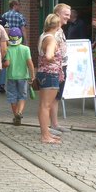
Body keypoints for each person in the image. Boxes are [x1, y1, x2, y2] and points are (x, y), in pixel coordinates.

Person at [36, 14, 65, 144]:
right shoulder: (52, 39)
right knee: (46, 106)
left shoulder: (43, 36)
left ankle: (46, 134)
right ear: (57, 25)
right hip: (50, 74)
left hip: (43, 73)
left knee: (43, 105)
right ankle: (45, 136)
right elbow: (48, 56)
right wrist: (54, 60)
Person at [5, 27, 35, 126]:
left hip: (11, 77)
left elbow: (7, 63)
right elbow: (30, 63)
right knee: (22, 96)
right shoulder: (26, 49)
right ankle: (19, 112)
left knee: (12, 97)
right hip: (23, 77)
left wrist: (0, 66)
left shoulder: (8, 49)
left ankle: (15, 116)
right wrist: (32, 75)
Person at [0, 0, 28, 93]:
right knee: (16, 60)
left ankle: (1, 83)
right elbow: (23, 30)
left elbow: (0, 29)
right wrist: (25, 42)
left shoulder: (4, 15)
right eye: (19, 5)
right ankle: (16, 80)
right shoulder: (20, 16)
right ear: (14, 5)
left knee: (5, 61)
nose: (20, 7)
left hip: (6, 42)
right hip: (17, 42)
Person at [51, 3, 71, 134]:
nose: (68, 17)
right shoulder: (54, 32)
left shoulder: (61, 30)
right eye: (66, 14)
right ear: (58, 14)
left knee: (57, 97)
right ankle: (49, 127)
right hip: (56, 69)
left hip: (62, 67)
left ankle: (55, 124)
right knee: (51, 97)